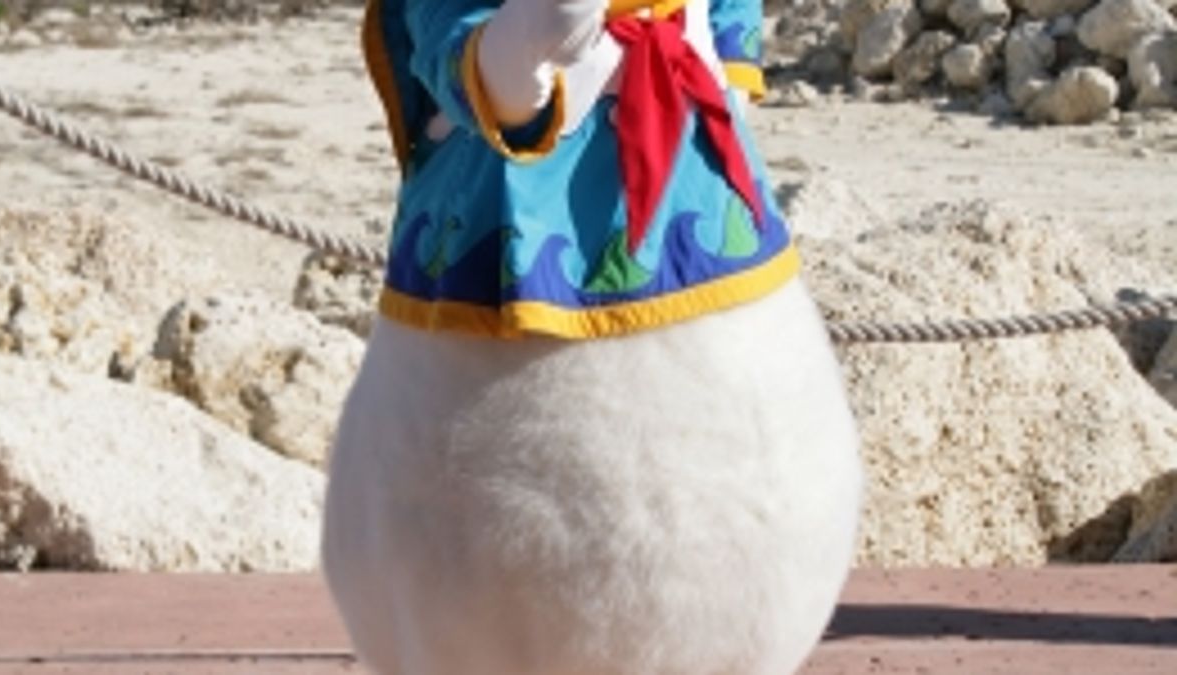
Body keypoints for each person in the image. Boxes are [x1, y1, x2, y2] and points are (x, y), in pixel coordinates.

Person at [322, 1, 864, 673]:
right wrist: (528, 41)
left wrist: (714, 78)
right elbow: (452, 46)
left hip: (695, 191)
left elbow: (732, 30)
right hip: (501, 230)